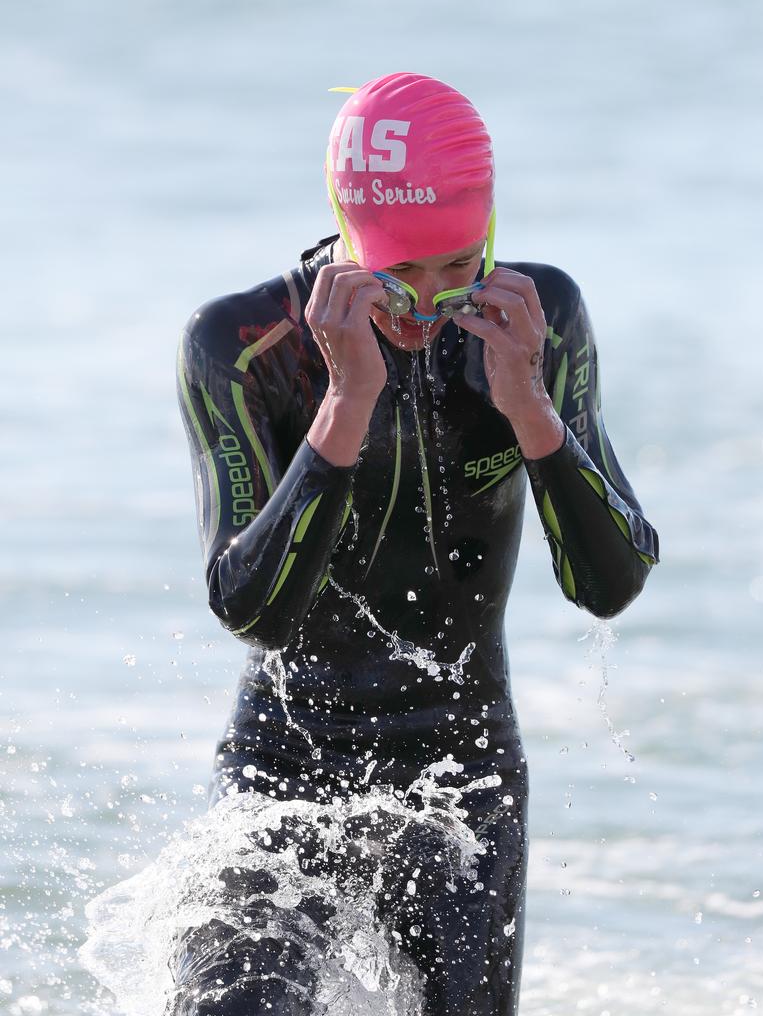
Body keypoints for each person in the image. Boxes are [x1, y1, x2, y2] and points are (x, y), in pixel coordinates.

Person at [174, 72, 659, 1016]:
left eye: (457, 266)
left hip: (463, 780)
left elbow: (610, 582)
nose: (428, 304)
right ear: (347, 232)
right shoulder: (241, 345)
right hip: (287, 773)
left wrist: (530, 410)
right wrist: (344, 404)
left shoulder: (539, 318)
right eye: (399, 274)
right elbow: (253, 612)